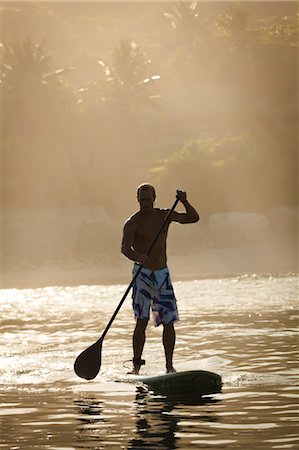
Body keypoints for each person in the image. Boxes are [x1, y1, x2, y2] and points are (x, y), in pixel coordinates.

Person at [121, 183, 200, 374]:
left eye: (148, 199)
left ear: (154, 198)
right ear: (137, 199)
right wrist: (137, 257)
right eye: (142, 199)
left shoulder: (164, 215)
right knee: (141, 320)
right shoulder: (132, 222)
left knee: (168, 321)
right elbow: (125, 248)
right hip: (143, 275)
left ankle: (169, 366)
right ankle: (136, 367)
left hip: (162, 274)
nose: (145, 203)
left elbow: (192, 218)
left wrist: (184, 201)